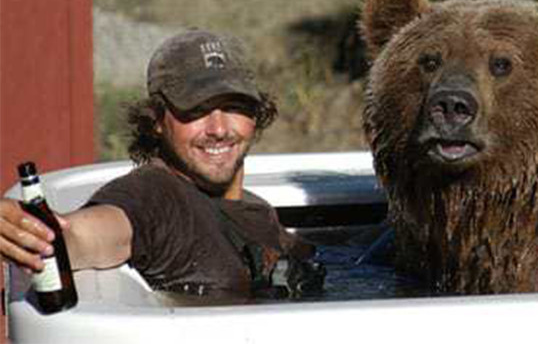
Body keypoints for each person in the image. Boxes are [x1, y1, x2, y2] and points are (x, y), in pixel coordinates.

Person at [0, 29, 324, 298]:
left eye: (234, 106)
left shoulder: (255, 209)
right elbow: (90, 234)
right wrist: (39, 234)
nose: (219, 129)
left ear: (256, 114)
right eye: (196, 110)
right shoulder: (154, 195)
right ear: (156, 119)